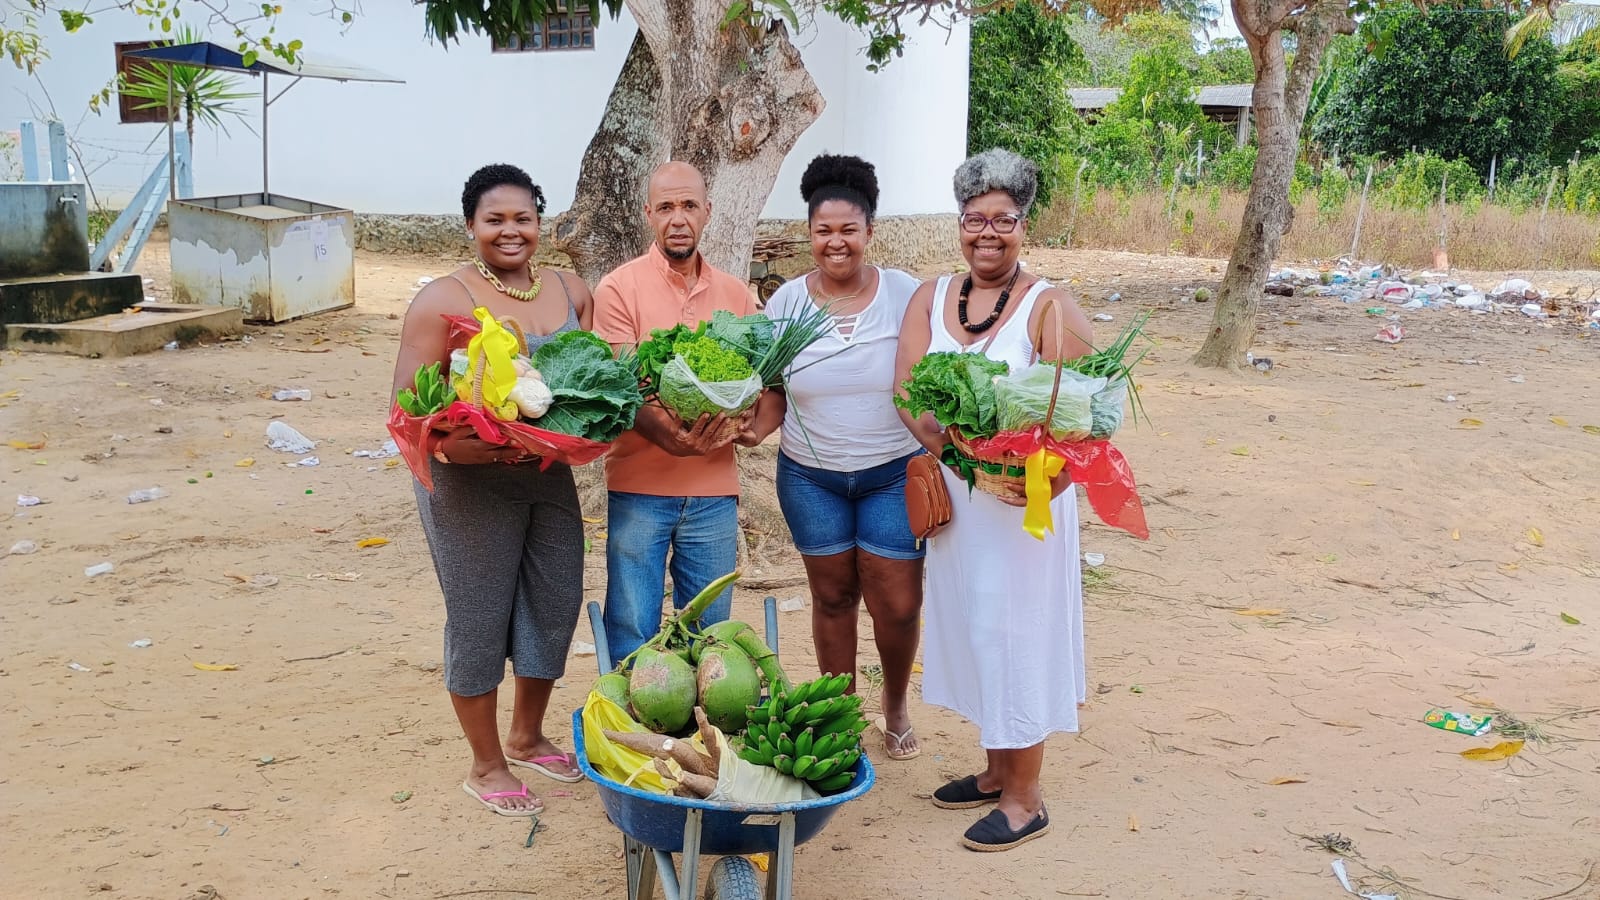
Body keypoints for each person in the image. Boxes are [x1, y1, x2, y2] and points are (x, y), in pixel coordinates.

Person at [893, 149, 1097, 851]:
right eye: (974, 218)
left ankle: (1025, 798)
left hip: (1019, 507)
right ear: (959, 223)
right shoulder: (931, 295)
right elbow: (906, 393)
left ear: (1024, 223)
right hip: (960, 501)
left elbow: (1080, 413)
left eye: (1002, 219)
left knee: (1016, 636)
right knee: (974, 629)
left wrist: (1036, 472)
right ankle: (991, 771)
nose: (987, 232)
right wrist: (962, 460)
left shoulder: (1050, 305)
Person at [392, 164, 593, 816]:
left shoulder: (570, 291)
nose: (511, 231)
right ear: (472, 226)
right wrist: (454, 446)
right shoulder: (441, 300)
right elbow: (404, 411)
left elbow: (584, 384)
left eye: (523, 218)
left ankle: (528, 734)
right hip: (468, 484)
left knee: (554, 602)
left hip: (545, 475)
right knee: (479, 620)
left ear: (540, 220)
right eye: (494, 220)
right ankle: (486, 765)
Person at [764, 154, 925, 761]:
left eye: (848, 229)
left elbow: (929, 375)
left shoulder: (907, 294)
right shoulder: (784, 303)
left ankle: (895, 704)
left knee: (898, 603)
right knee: (832, 598)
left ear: (869, 232)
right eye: (823, 231)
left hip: (893, 474)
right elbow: (773, 390)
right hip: (811, 477)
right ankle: (843, 712)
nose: (836, 242)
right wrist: (737, 425)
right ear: (809, 234)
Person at [593, 161, 783, 662]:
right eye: (666, 208)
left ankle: (698, 731)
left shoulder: (736, 294)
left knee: (711, 634)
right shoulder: (618, 289)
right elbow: (621, 389)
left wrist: (752, 429)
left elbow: (769, 380)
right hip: (638, 486)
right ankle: (631, 732)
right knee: (633, 623)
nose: (678, 219)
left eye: (689, 206)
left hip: (714, 493)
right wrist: (671, 439)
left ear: (708, 213)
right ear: (648, 215)